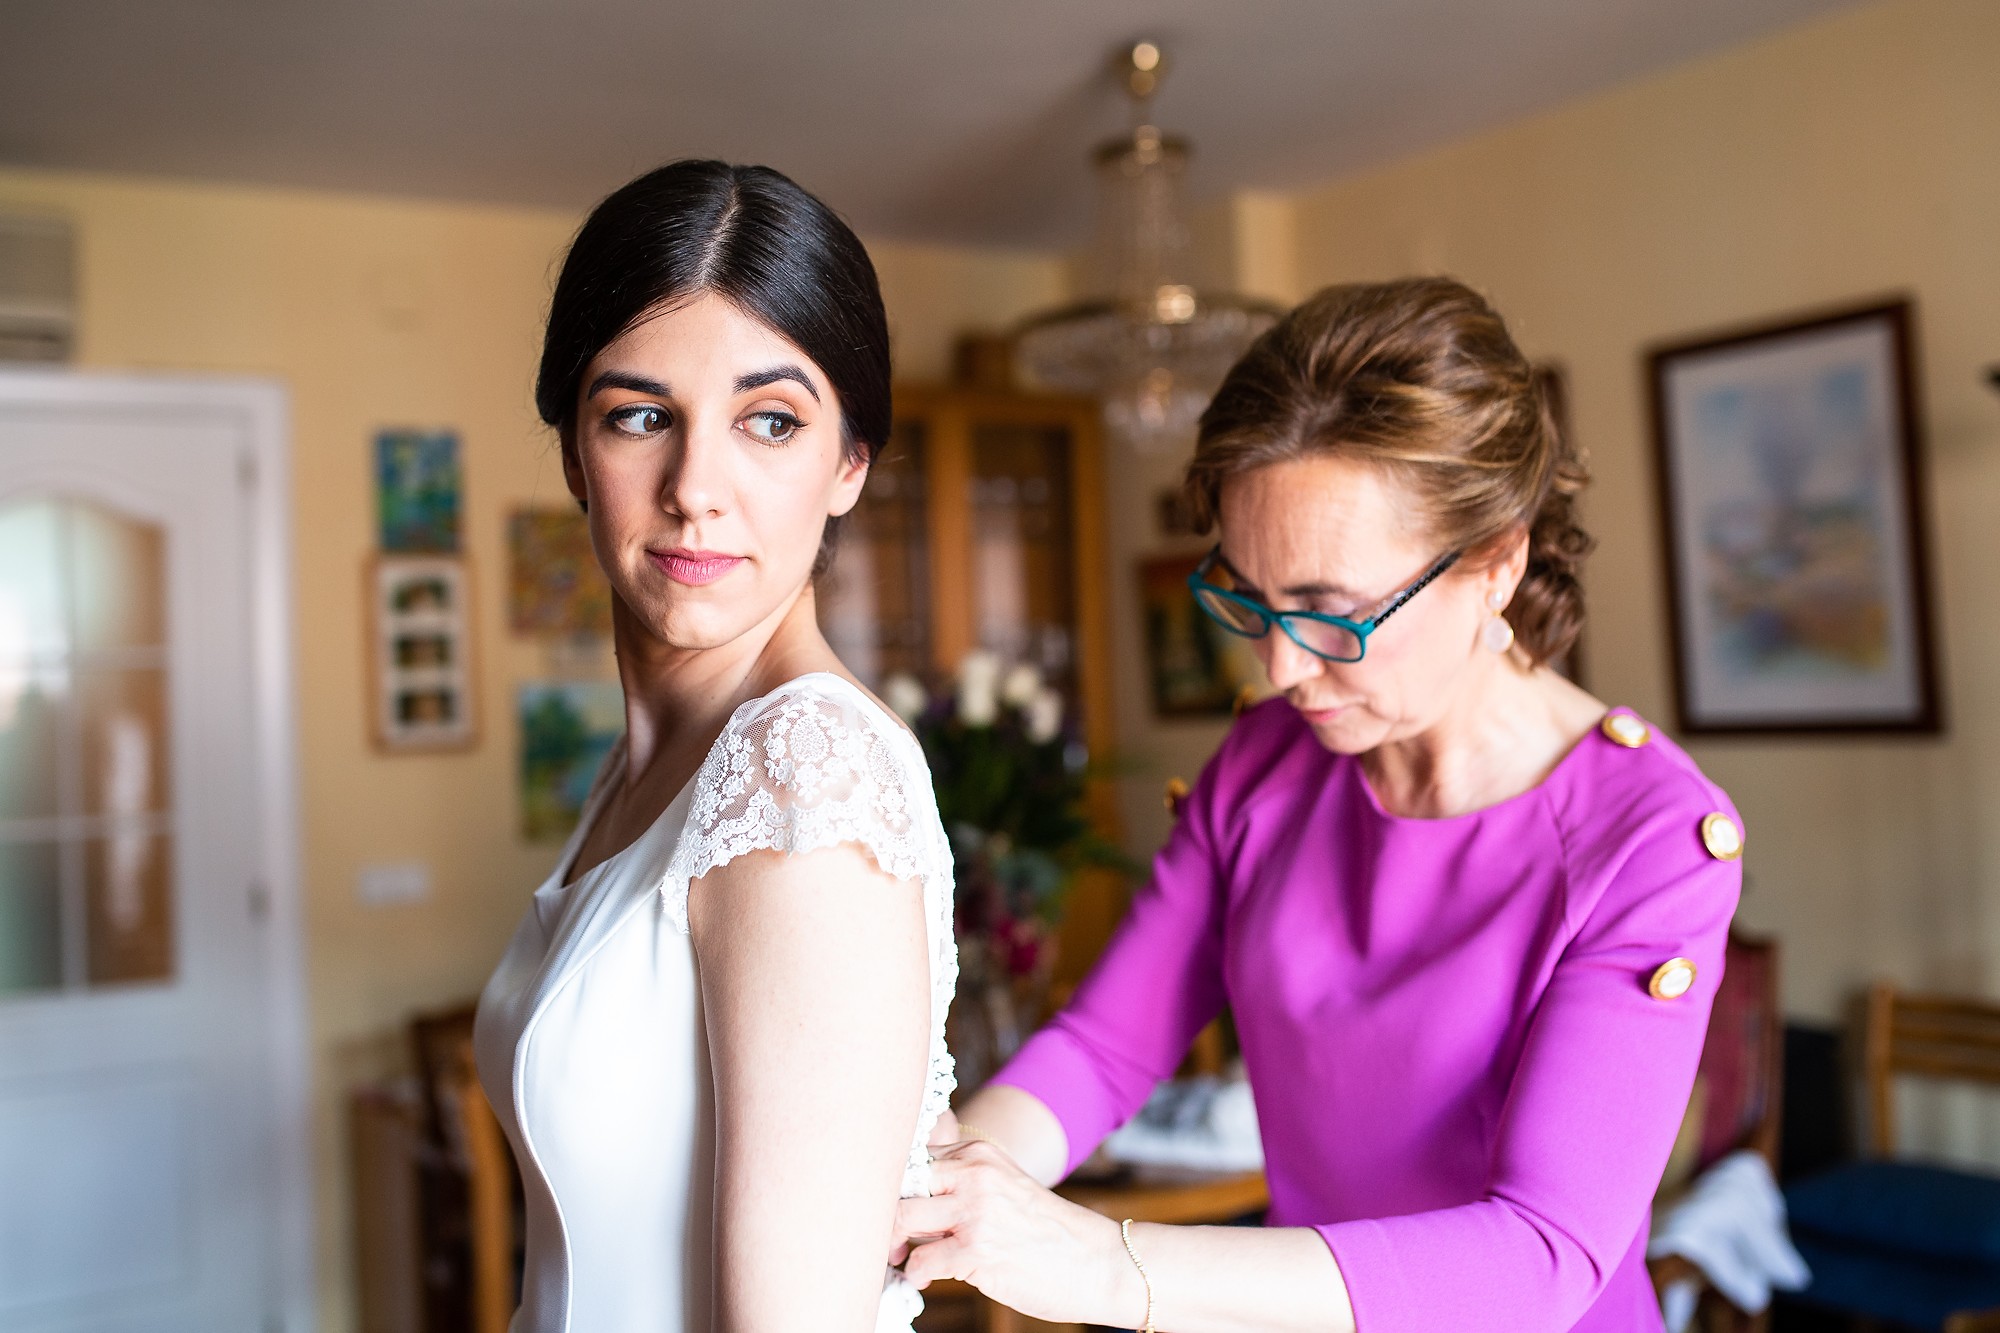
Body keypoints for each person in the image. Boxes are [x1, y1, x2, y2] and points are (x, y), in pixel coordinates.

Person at [895, 278, 1743, 1333]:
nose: (1282, 663)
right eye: (1246, 595)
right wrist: (924, 1195)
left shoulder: (1649, 838)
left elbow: (1539, 1252)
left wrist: (1105, 1263)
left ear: (1495, 561)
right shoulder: (1262, 766)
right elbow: (1103, 1049)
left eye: (1331, 611)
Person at [474, 160, 958, 1333]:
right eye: (640, 415)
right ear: (573, 455)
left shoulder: (805, 777)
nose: (696, 487)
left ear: (850, 464)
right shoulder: (644, 768)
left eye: (770, 422)